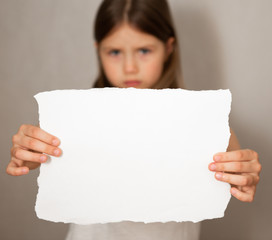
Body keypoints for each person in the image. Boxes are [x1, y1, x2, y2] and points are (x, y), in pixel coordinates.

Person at [6, 0, 261, 239]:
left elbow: (238, 172)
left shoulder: (205, 127)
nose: (130, 67)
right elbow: (37, 152)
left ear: (168, 48)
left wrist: (244, 175)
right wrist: (28, 152)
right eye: (115, 52)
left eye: (143, 50)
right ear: (99, 51)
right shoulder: (76, 122)